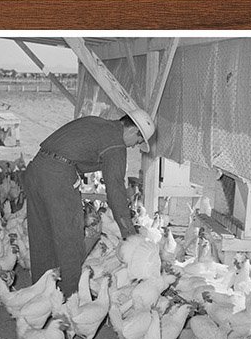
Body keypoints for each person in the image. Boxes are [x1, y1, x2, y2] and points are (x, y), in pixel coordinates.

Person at [24, 109, 155, 295]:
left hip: (37, 168)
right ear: (134, 131)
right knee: (70, 242)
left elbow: (79, 156)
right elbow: (115, 191)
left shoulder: (97, 123)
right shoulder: (116, 144)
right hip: (57, 178)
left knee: (42, 238)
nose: (134, 146)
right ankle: (68, 300)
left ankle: (41, 295)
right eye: (138, 141)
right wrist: (129, 234)